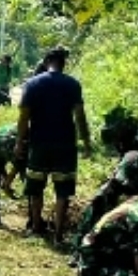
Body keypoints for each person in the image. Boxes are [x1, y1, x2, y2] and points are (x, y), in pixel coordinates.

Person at [15, 46, 93, 245]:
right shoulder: (73, 84)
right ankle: (58, 234)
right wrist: (86, 142)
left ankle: (36, 228)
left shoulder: (32, 84)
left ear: (45, 62)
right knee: (63, 192)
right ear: (63, 63)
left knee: (35, 187)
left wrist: (19, 142)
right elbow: (79, 116)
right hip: (65, 144)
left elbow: (24, 118)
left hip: (39, 143)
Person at [0, 123, 25, 226]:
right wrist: (7, 182)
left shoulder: (13, 127)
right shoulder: (26, 131)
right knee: (29, 179)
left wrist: (6, 179)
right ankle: (33, 219)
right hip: (10, 142)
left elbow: (0, 165)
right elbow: (19, 164)